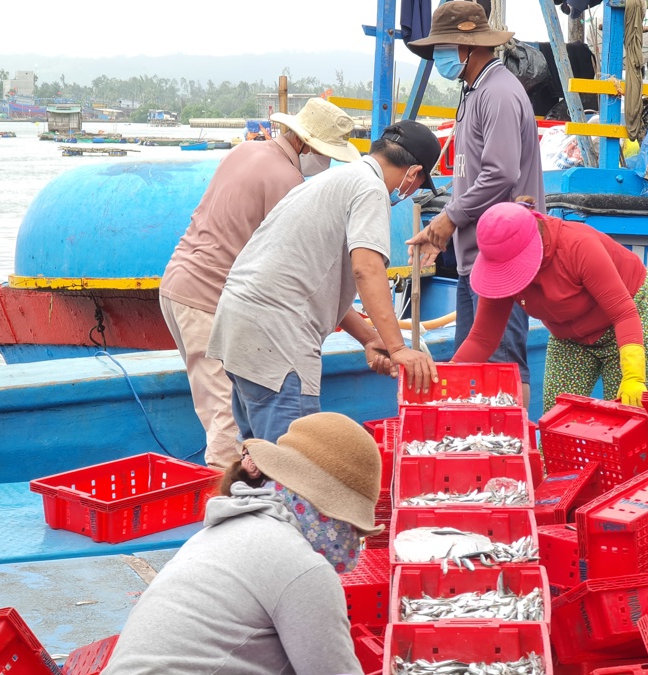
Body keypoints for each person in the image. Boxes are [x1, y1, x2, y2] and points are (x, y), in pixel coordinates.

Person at [82, 412, 388, 675]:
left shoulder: (224, 530)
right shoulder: (300, 564)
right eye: (354, 529)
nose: (352, 541)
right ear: (333, 513)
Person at [207, 120, 441, 444]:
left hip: (239, 323)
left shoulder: (331, 180)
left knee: (258, 463)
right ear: (413, 174)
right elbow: (367, 269)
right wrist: (398, 348)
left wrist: (369, 338)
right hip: (278, 335)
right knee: (295, 467)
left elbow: (315, 278)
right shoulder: (370, 188)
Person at [159, 98, 360, 470]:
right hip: (208, 298)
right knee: (226, 417)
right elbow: (307, 276)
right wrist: (369, 334)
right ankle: (224, 507)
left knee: (223, 403)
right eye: (324, 154)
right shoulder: (289, 182)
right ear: (303, 144)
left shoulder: (246, 151)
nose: (326, 164)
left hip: (178, 284)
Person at [406, 0, 545, 409]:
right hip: (474, 257)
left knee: (503, 365)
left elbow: (499, 174)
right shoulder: (474, 92)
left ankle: (512, 449)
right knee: (476, 364)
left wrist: (450, 218)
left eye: (445, 48)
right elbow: (472, 176)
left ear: (468, 47)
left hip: (500, 257)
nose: (441, 58)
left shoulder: (498, 93)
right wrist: (447, 231)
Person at [450, 200, 648, 411]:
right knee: (556, 416)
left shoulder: (578, 246)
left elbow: (623, 314)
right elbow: (482, 339)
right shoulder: (500, 264)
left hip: (627, 322)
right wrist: (447, 380)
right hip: (569, 335)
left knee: (624, 415)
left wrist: (634, 376)